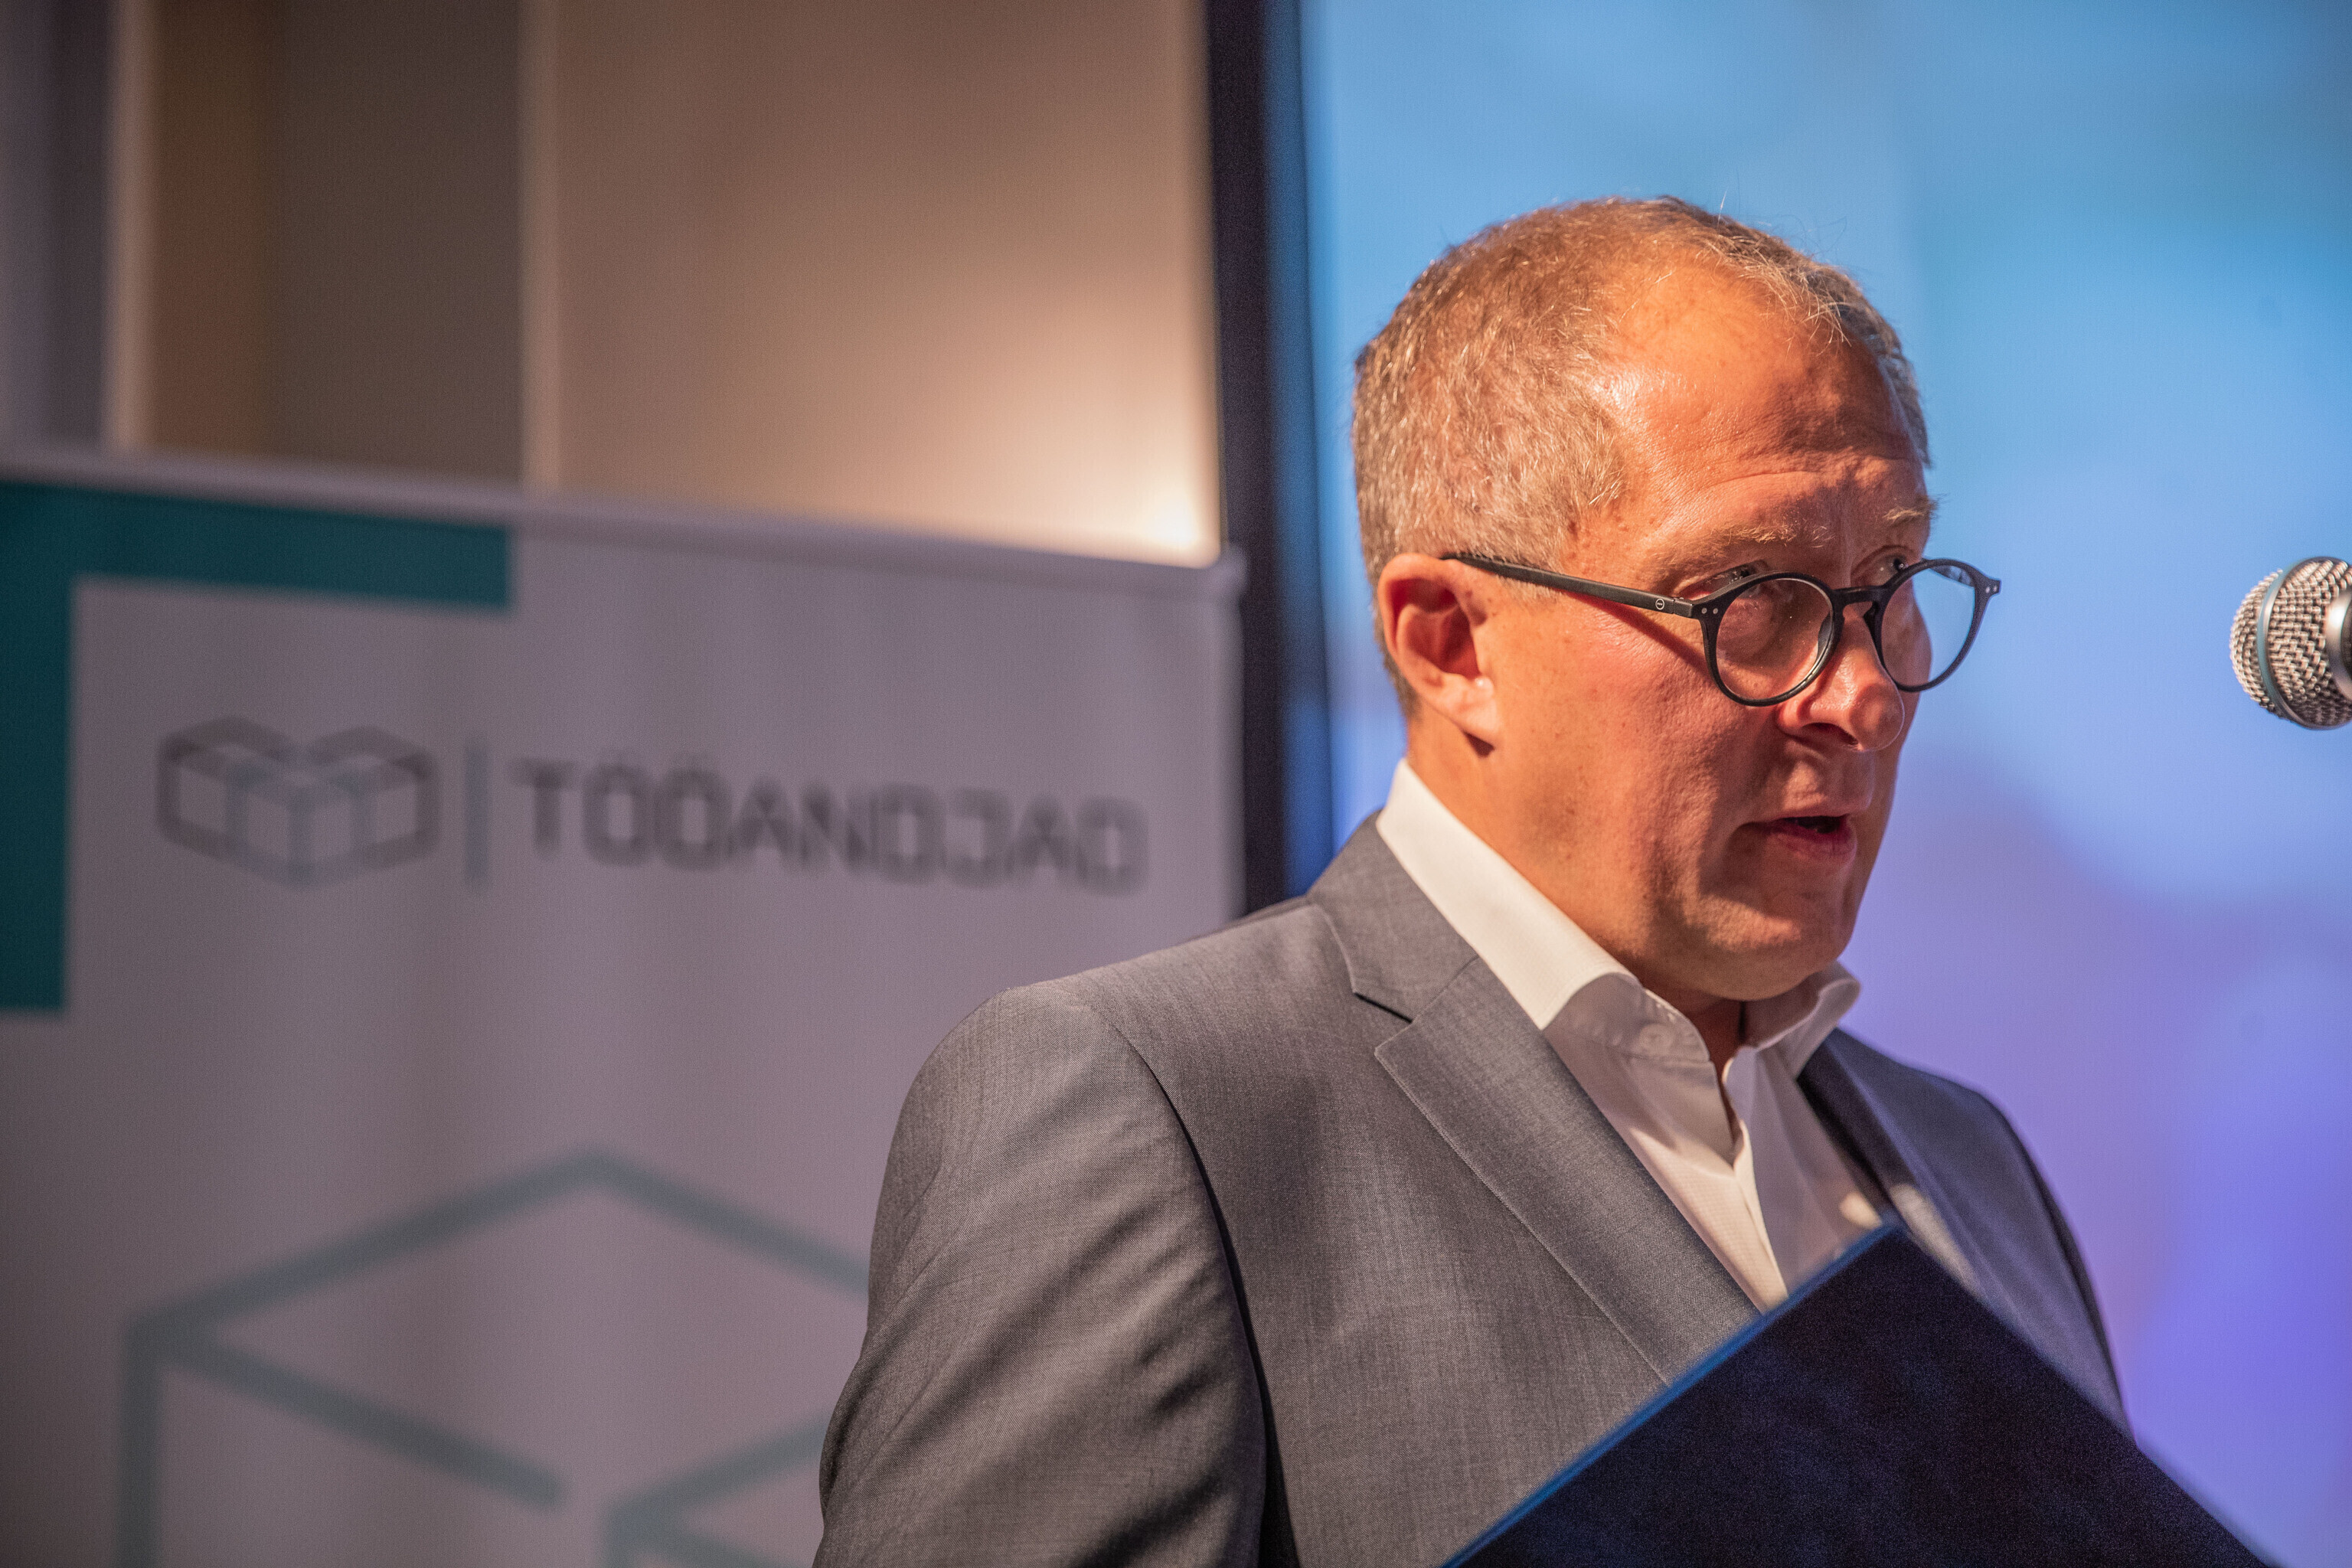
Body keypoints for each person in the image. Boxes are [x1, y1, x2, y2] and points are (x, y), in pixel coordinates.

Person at [814, 198, 2118, 1567]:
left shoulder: (1970, 1163)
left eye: (1892, 580)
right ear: (1451, 645)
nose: (1864, 696)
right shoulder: (1157, 1110)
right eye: (1754, 598)